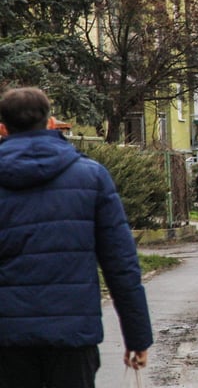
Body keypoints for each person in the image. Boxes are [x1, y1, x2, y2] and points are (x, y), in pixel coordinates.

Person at [0, 87, 153, 387]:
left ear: (3, 128)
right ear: (52, 123)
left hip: (7, 340)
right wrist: (137, 336)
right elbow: (121, 264)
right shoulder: (90, 176)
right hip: (72, 337)